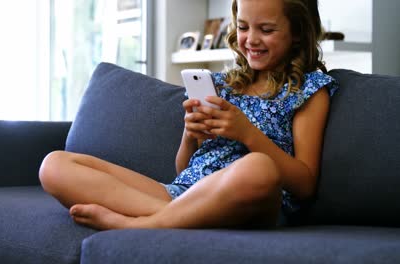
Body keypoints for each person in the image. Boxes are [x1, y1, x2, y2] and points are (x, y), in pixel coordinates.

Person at [39, 0, 338, 230]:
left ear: (298, 32)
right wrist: (190, 134)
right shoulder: (224, 84)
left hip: (251, 200)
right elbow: (183, 170)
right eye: (244, 27)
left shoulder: (308, 89)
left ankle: (138, 225)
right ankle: (174, 217)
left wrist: (247, 134)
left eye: (267, 30)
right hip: (185, 192)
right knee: (54, 165)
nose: (251, 39)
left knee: (259, 167)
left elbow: (305, 182)